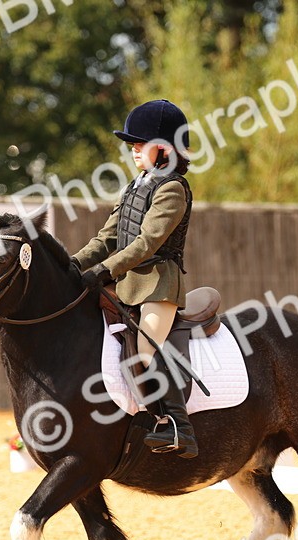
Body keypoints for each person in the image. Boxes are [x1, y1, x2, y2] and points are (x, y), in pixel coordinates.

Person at [70, 99, 198, 458]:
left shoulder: (173, 188)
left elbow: (146, 243)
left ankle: (177, 426)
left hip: (157, 284)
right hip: (126, 285)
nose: (134, 150)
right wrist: (70, 266)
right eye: (133, 144)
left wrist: (104, 270)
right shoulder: (135, 186)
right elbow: (106, 238)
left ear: (165, 148)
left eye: (141, 144)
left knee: (145, 349)